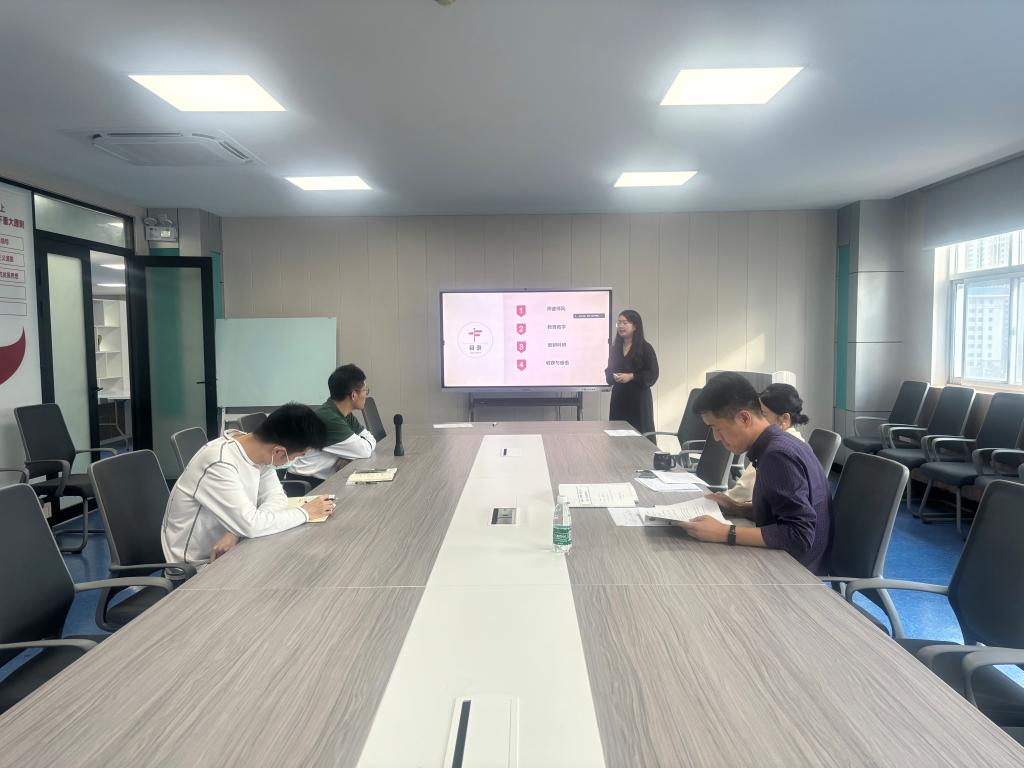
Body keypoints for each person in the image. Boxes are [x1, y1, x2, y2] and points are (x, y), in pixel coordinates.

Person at [674, 372, 832, 575]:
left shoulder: (777, 455)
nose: (716, 438)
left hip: (797, 573)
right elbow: (781, 510)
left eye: (717, 428)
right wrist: (739, 509)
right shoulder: (779, 444)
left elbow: (799, 535)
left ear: (744, 418)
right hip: (791, 561)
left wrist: (725, 533)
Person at [162, 403, 335, 564]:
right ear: (278, 451)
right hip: (196, 566)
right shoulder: (219, 462)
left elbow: (277, 498)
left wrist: (238, 530)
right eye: (298, 456)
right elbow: (251, 525)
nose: (294, 460)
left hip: (233, 550)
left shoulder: (259, 452)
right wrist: (305, 512)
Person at [707, 383, 809, 516]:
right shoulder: (795, 440)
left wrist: (718, 507)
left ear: (784, 419)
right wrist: (736, 507)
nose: (756, 420)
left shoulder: (778, 451)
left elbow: (744, 492)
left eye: (762, 415)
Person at [288, 363, 377, 484]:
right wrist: (351, 453)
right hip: (306, 484)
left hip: (323, 479)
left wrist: (349, 454)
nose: (366, 394)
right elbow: (365, 451)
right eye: (365, 390)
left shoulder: (343, 413)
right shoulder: (329, 419)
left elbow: (370, 439)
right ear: (353, 395)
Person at [605, 309, 659, 439]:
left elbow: (653, 374)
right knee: (618, 436)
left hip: (638, 400)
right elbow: (609, 371)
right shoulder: (615, 349)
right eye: (619, 323)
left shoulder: (646, 348)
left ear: (635, 326)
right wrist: (613, 376)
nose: (621, 326)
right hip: (619, 399)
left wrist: (631, 376)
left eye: (625, 323)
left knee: (640, 436)